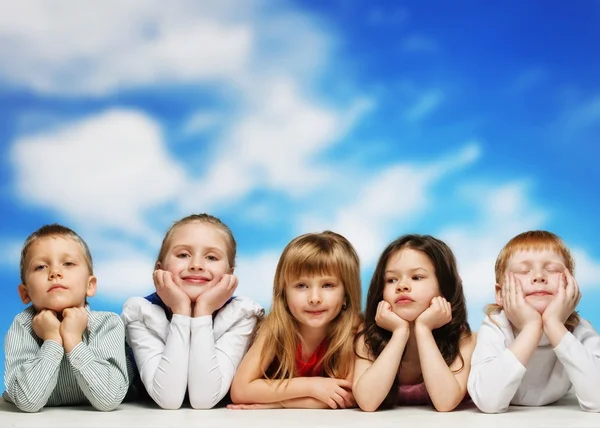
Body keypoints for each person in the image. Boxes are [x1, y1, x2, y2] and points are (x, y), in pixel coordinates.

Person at [122, 214, 263, 409]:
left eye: (211, 257)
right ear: (159, 269)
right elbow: (168, 399)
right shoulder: (141, 312)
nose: (196, 265)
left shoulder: (241, 314)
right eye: (183, 255)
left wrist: (203, 310)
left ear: (229, 274)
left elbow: (204, 399)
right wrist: (181, 310)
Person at [468, 230, 600, 413]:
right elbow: (488, 402)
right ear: (500, 293)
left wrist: (554, 324)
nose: (539, 276)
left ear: (570, 284)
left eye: (553, 269)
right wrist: (531, 328)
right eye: (523, 271)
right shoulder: (496, 325)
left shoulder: (579, 328)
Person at [228, 231, 362, 409]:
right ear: (284, 293)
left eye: (328, 285)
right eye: (301, 286)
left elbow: (349, 396)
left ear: (346, 294)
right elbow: (240, 391)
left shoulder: (353, 329)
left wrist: (277, 403)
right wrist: (311, 386)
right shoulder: (275, 328)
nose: (314, 298)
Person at [3, 224, 129, 412]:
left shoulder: (108, 324)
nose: (55, 272)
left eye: (68, 263)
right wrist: (52, 340)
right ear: (25, 293)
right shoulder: (21, 326)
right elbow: (27, 401)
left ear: (90, 285)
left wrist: (73, 340)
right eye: (40, 267)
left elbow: (110, 398)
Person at [353, 234, 475, 412]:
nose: (401, 286)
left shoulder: (462, 337)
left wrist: (424, 329)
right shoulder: (368, 333)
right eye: (391, 279)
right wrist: (400, 332)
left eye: (417, 277)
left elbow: (445, 402)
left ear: (445, 287)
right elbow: (367, 402)